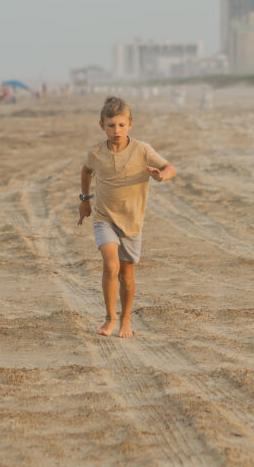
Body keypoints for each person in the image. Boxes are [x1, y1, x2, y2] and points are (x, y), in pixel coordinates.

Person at [78, 95, 177, 339]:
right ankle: (110, 318)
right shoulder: (96, 152)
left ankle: (126, 318)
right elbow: (86, 171)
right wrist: (84, 200)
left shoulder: (142, 150)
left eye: (122, 125)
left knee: (127, 275)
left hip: (132, 222)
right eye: (111, 125)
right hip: (104, 218)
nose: (117, 130)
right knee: (111, 266)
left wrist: (161, 176)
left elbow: (170, 168)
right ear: (102, 125)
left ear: (130, 124)